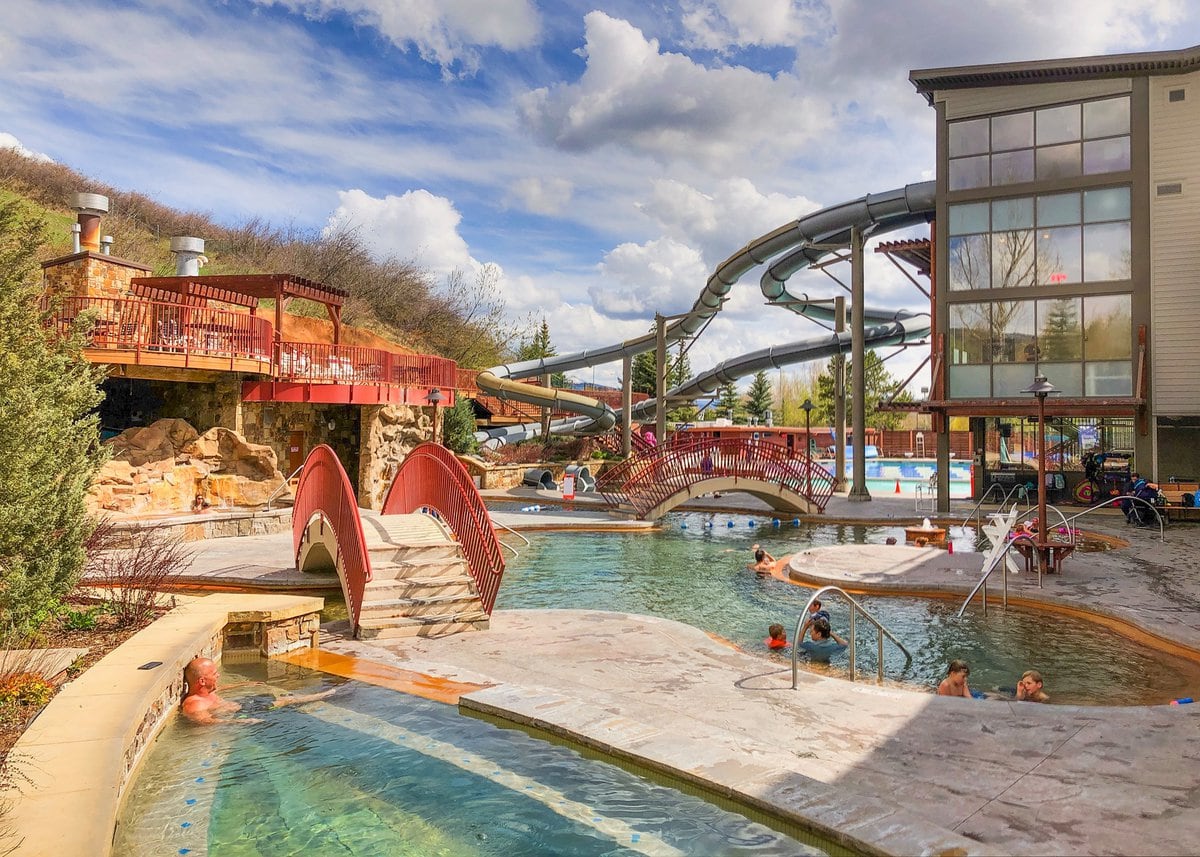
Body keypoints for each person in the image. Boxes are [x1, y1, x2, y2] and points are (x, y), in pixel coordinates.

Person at [181, 657, 336, 725]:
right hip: (242, 713)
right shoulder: (194, 705)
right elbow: (206, 722)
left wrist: (243, 684)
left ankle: (318, 696)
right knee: (283, 702)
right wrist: (239, 722)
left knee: (279, 698)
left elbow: (220, 688)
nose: (218, 675)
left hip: (243, 705)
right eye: (215, 674)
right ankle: (322, 696)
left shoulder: (206, 692)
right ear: (202, 681)